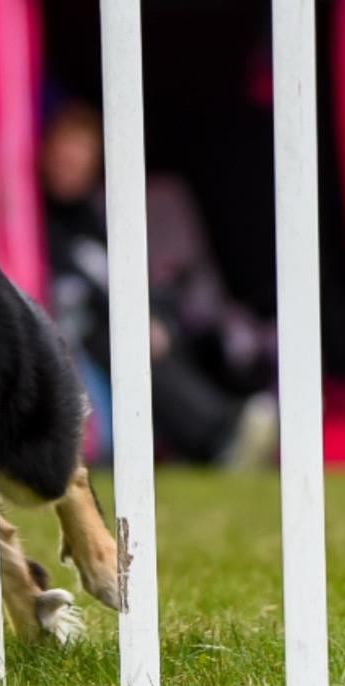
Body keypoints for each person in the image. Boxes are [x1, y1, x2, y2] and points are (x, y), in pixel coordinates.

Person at [42, 102, 278, 466]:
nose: (71, 163)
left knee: (169, 331)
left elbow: (133, 280)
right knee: (124, 344)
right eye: (64, 152)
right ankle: (221, 433)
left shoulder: (95, 219)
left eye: (81, 153)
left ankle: (222, 429)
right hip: (84, 338)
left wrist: (158, 320)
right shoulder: (38, 224)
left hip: (126, 327)